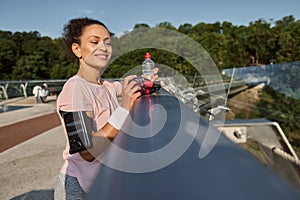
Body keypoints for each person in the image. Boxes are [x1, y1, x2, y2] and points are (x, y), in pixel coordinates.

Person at [54, 17, 158, 200]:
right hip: (78, 185)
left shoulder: (105, 85)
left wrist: (148, 80)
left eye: (107, 42)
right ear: (77, 49)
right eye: (95, 42)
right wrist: (125, 108)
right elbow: (87, 151)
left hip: (101, 179)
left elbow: (126, 85)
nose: (103, 47)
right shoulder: (75, 89)